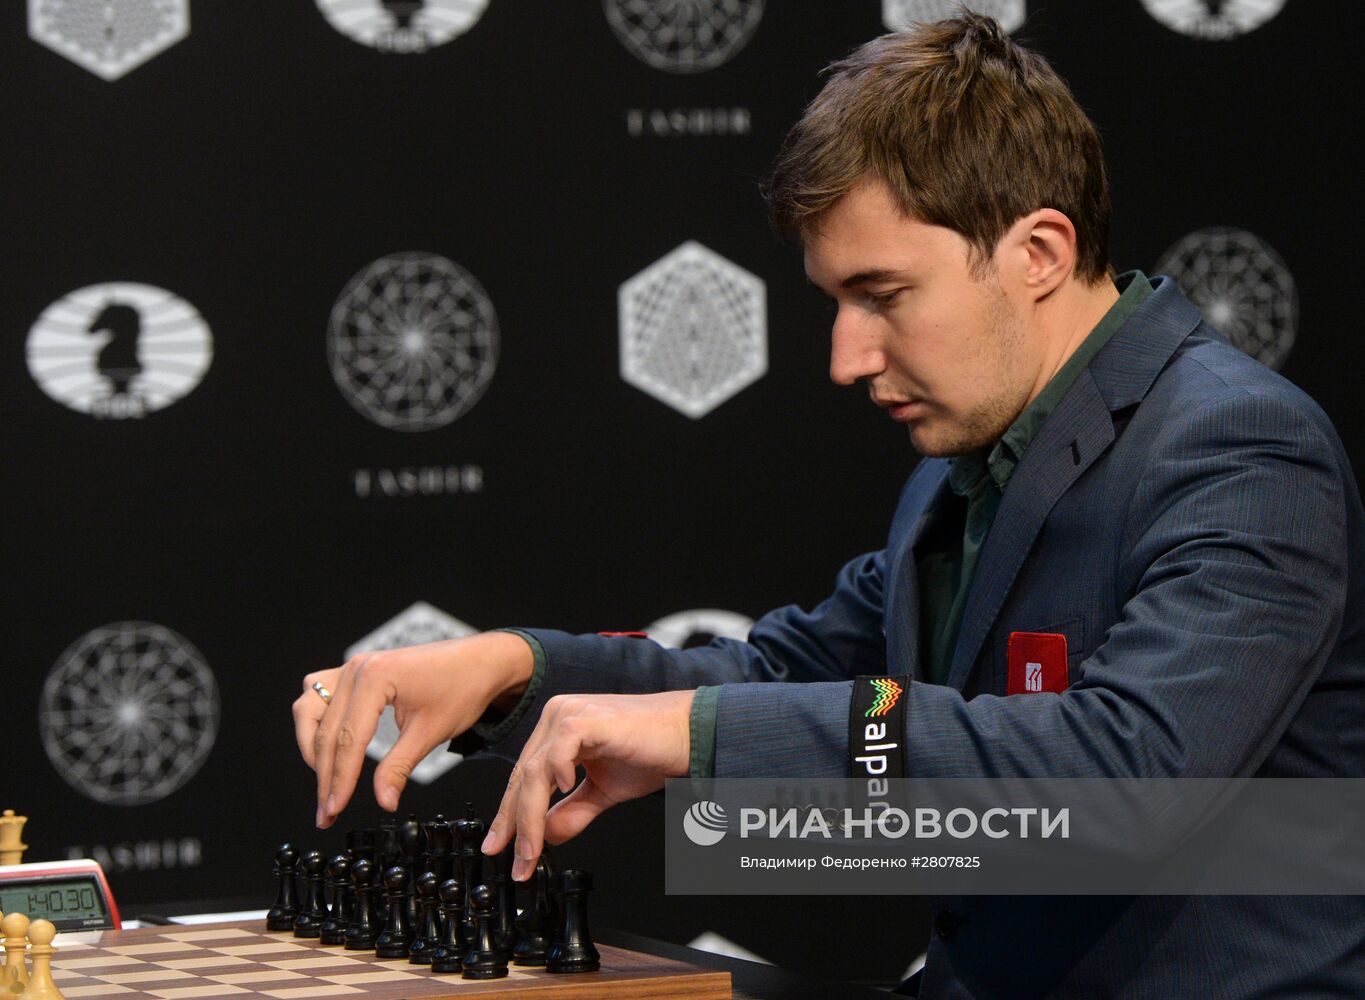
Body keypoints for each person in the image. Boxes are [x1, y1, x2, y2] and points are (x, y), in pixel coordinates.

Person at [294, 14, 1365, 997]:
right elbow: (776, 675)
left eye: (883, 296)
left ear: (1038, 253)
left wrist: (704, 735)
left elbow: (1127, 779)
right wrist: (515, 671)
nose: (848, 357)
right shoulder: (964, 471)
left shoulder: (1238, 447)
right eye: (836, 301)